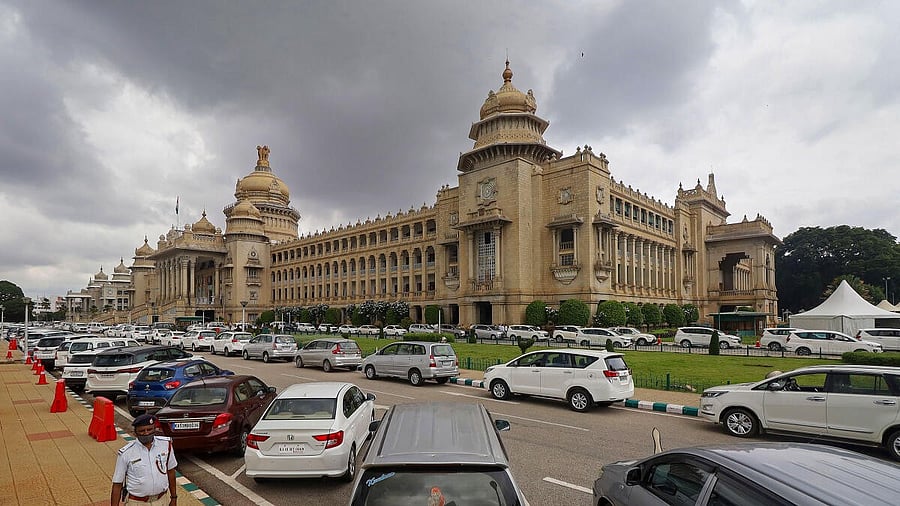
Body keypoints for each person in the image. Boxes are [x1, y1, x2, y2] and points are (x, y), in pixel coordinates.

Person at [110, 414, 178, 505]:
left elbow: (171, 471)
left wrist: (174, 498)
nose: (146, 433)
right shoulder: (126, 453)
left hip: (162, 501)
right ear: (135, 433)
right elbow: (117, 484)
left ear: (154, 429)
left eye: (149, 429)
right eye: (142, 431)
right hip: (137, 502)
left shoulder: (166, 445)